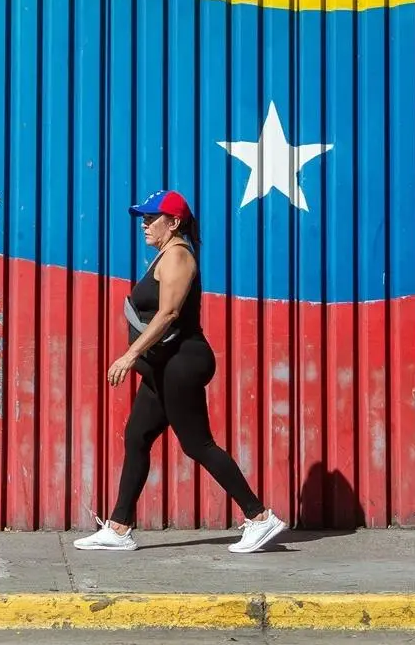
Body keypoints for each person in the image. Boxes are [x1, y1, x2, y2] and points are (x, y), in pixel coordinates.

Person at [74, 190, 288, 554]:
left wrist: (130, 356)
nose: (144, 223)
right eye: (143, 217)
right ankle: (118, 528)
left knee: (197, 444)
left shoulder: (177, 256)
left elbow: (169, 314)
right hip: (165, 363)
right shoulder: (164, 254)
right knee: (137, 435)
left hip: (182, 361)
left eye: (151, 217)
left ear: (173, 222)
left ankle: (260, 517)